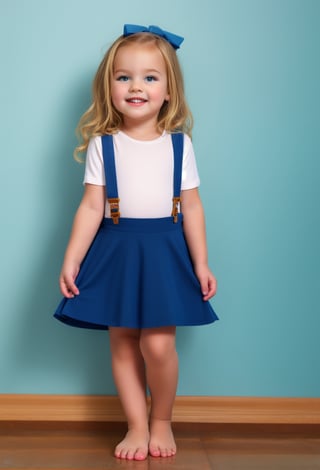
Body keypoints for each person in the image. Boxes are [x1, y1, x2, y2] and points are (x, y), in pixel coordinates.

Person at [54, 24, 218, 461]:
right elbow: (90, 208)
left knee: (158, 344)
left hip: (165, 250)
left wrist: (201, 262)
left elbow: (194, 208)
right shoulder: (102, 145)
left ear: (169, 91)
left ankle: (161, 417)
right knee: (123, 341)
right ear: (109, 87)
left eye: (150, 77)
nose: (136, 86)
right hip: (116, 249)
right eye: (123, 77)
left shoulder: (180, 146)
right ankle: (137, 425)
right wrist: (72, 260)